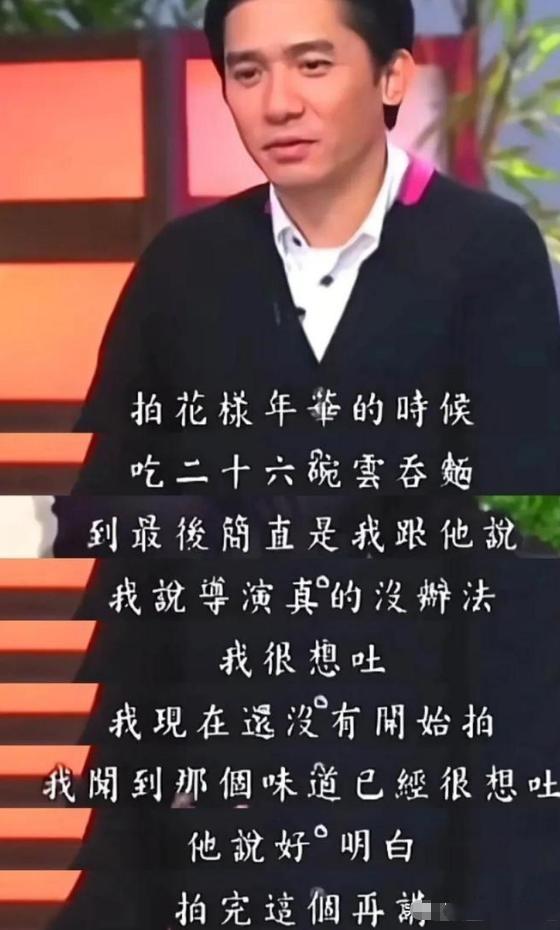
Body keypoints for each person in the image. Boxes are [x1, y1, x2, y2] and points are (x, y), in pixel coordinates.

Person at [49, 1, 560, 928]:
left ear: (393, 76)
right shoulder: (181, 273)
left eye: (313, 65)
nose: (278, 101)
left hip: (420, 792)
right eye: (247, 72)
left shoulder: (489, 258)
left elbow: (528, 555)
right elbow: (129, 559)